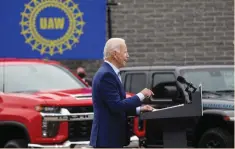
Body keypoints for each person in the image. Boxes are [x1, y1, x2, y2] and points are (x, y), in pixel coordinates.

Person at [90, 38, 154, 148]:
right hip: (107, 139)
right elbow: (116, 106)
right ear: (115, 54)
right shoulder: (106, 75)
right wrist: (141, 95)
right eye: (125, 52)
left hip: (111, 139)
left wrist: (139, 109)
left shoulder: (109, 73)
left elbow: (114, 105)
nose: (127, 56)